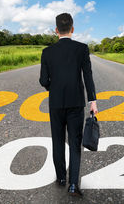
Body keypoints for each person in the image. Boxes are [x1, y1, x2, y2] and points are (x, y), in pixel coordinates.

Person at [39, 12, 98, 197]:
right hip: (76, 102)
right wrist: (92, 100)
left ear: (56, 30)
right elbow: (87, 76)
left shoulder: (47, 52)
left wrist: (53, 87)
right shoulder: (82, 49)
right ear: (72, 29)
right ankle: (73, 185)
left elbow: (43, 80)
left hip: (56, 103)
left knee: (57, 141)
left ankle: (61, 178)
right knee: (74, 142)